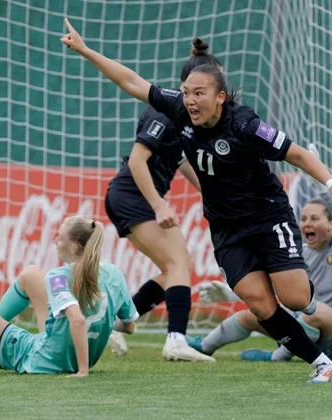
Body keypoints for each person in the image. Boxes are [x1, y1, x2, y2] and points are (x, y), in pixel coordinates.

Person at [61, 19, 332, 383]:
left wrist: (331, 182)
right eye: (186, 92)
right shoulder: (177, 110)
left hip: (267, 215)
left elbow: (296, 154)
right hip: (226, 226)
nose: (189, 99)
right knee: (260, 303)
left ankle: (303, 297)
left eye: (198, 93)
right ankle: (324, 364)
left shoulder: (245, 125)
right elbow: (132, 82)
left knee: (295, 300)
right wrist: (86, 50)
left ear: (220, 96)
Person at [191, 147, 332, 363]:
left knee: (318, 312)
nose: (307, 224)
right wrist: (230, 295)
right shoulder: (300, 253)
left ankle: (277, 357)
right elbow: (273, 291)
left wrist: (321, 184)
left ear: (331, 224)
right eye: (303, 219)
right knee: (255, 313)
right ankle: (203, 346)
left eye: (314, 218)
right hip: (309, 328)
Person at [104, 38, 221, 363]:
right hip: (132, 196)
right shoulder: (165, 112)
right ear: (188, 86)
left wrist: (215, 193)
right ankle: (175, 340)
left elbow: (182, 162)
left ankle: (120, 320)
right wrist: (158, 204)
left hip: (135, 198)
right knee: (177, 265)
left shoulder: (188, 120)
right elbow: (138, 162)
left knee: (177, 269)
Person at [0, 216, 139, 376]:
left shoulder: (57, 276)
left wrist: (82, 372)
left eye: (60, 237)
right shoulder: (114, 273)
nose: (55, 241)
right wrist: (102, 324)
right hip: (65, 351)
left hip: (41, 358)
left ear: (74, 246)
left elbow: (77, 320)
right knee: (30, 274)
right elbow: (130, 326)